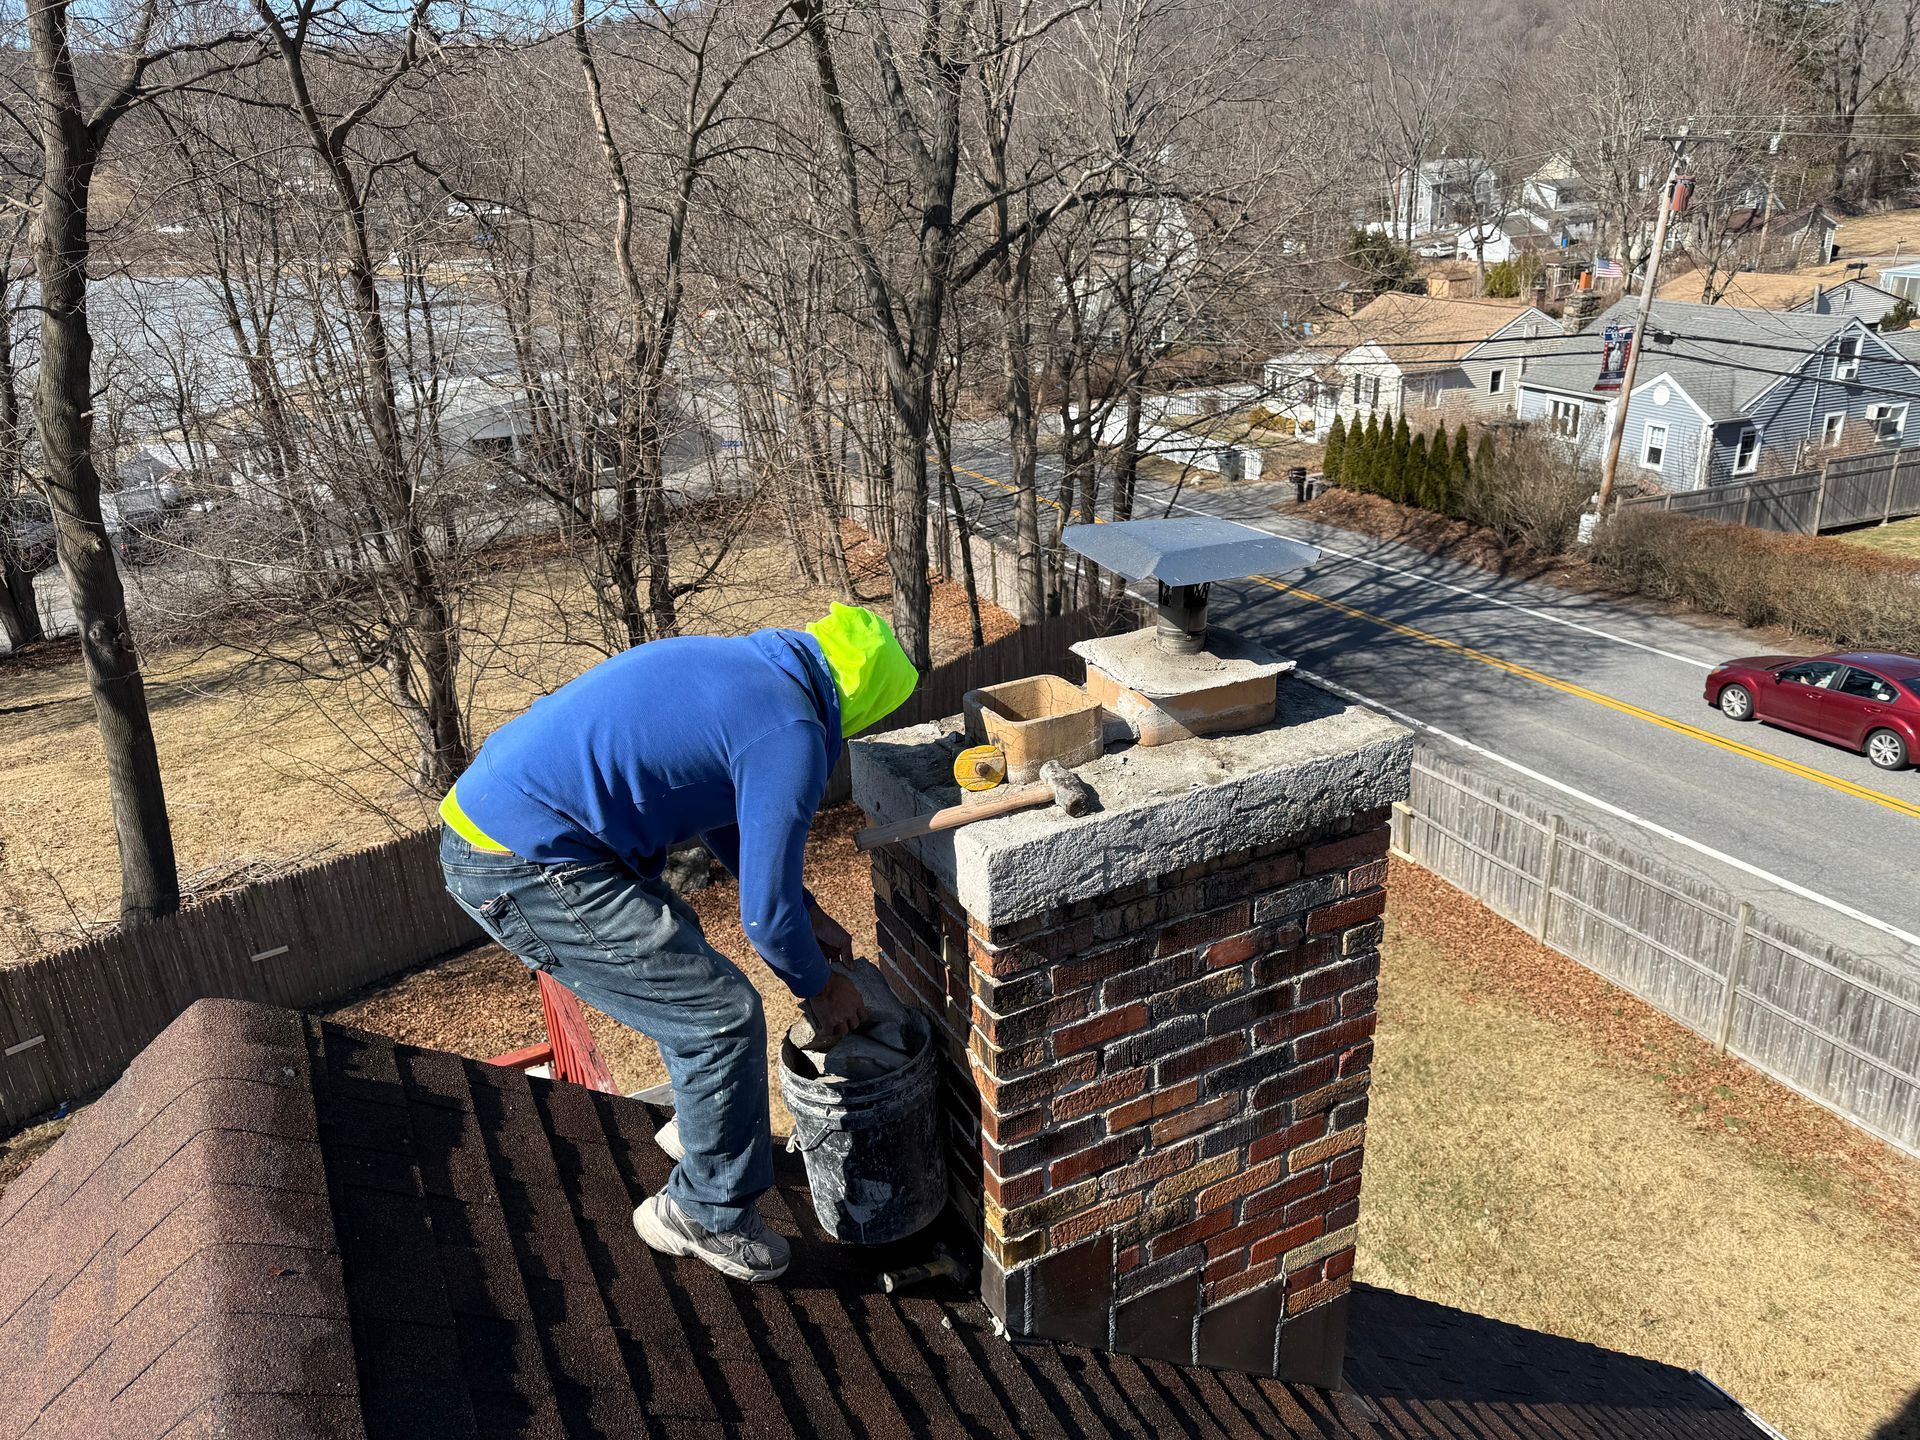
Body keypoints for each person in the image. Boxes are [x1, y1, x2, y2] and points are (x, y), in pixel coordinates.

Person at [437, 603, 918, 1282]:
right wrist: (820, 987)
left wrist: (808, 911)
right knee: (718, 1016)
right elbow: (765, 920)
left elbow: (727, 813)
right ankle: (705, 1212)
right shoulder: (793, 730)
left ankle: (704, 1134)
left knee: (680, 959)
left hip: (512, 820)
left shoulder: (747, 670)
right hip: (521, 860)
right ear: (858, 704)